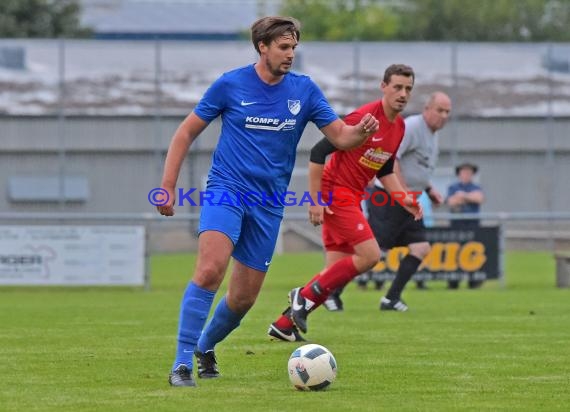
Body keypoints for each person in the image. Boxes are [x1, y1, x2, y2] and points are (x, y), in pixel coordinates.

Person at [157, 16, 380, 387]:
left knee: (243, 299)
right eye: (283, 47)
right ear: (262, 47)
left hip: (268, 203)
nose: (290, 54)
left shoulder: (304, 91)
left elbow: (340, 136)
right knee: (211, 269)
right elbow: (185, 133)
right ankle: (181, 364)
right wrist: (167, 185)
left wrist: (361, 132)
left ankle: (204, 346)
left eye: (294, 47)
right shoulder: (230, 84)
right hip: (226, 190)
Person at [267, 64, 422, 341]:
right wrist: (315, 199)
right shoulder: (364, 117)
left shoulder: (398, 127)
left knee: (334, 273)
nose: (403, 93)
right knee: (370, 255)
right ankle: (301, 297)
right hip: (335, 192)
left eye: (408, 88)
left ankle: (284, 325)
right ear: (383, 86)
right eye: (397, 87)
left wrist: (404, 198)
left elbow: (384, 171)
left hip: (351, 195)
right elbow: (318, 151)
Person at [324, 92, 452, 312]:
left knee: (421, 248)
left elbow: (418, 168)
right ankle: (330, 291)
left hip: (409, 201)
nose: (443, 116)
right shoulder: (412, 126)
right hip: (390, 199)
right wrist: (402, 194)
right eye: (439, 110)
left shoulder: (432, 134)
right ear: (427, 109)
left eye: (447, 112)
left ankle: (391, 298)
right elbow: (391, 161)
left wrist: (429, 189)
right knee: (371, 253)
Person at [446, 162, 485, 288]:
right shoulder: (453, 187)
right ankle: (453, 281)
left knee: (472, 252)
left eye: (469, 172)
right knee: (455, 252)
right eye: (464, 172)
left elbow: (479, 198)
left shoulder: (476, 187)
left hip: (472, 225)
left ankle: (473, 281)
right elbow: (451, 202)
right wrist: (469, 197)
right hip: (456, 225)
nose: (466, 175)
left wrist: (463, 196)